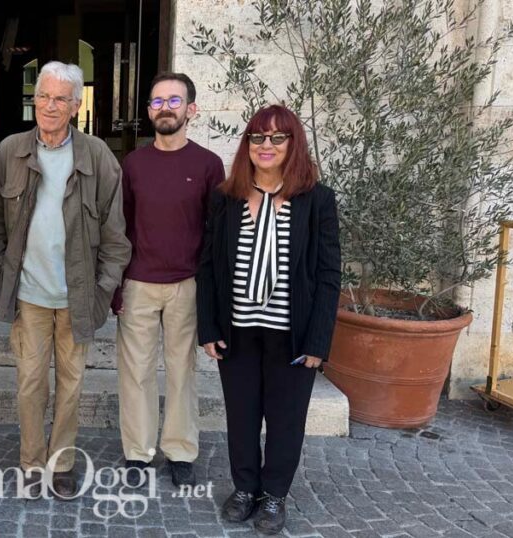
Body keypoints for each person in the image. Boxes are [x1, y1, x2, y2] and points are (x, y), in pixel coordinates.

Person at [0, 61, 131, 500]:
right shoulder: (10, 151)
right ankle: (32, 462)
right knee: (31, 383)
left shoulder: (97, 156)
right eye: (43, 96)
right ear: (35, 100)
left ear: (75, 105)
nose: (50, 106)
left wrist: (103, 290)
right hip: (29, 295)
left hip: (78, 296)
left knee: (71, 386)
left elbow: (115, 235)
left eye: (60, 99)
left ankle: (61, 462)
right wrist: (2, 275)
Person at [196, 104, 341, 534]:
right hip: (238, 331)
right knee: (241, 416)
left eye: (278, 137)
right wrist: (209, 327)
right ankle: (245, 488)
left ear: (293, 144)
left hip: (292, 336)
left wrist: (318, 341)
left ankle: (274, 495)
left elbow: (329, 274)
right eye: (257, 137)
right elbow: (208, 267)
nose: (266, 145)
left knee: (286, 420)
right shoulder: (226, 198)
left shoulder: (317, 201)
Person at [111, 72, 224, 487]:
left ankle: (180, 450)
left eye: (174, 101)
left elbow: (216, 233)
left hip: (187, 284)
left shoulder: (209, 165)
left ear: (191, 109)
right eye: (157, 102)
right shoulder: (133, 164)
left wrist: (212, 293)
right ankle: (137, 452)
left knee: (182, 372)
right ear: (148, 111)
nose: (165, 109)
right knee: (135, 373)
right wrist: (117, 285)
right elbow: (120, 227)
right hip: (139, 282)